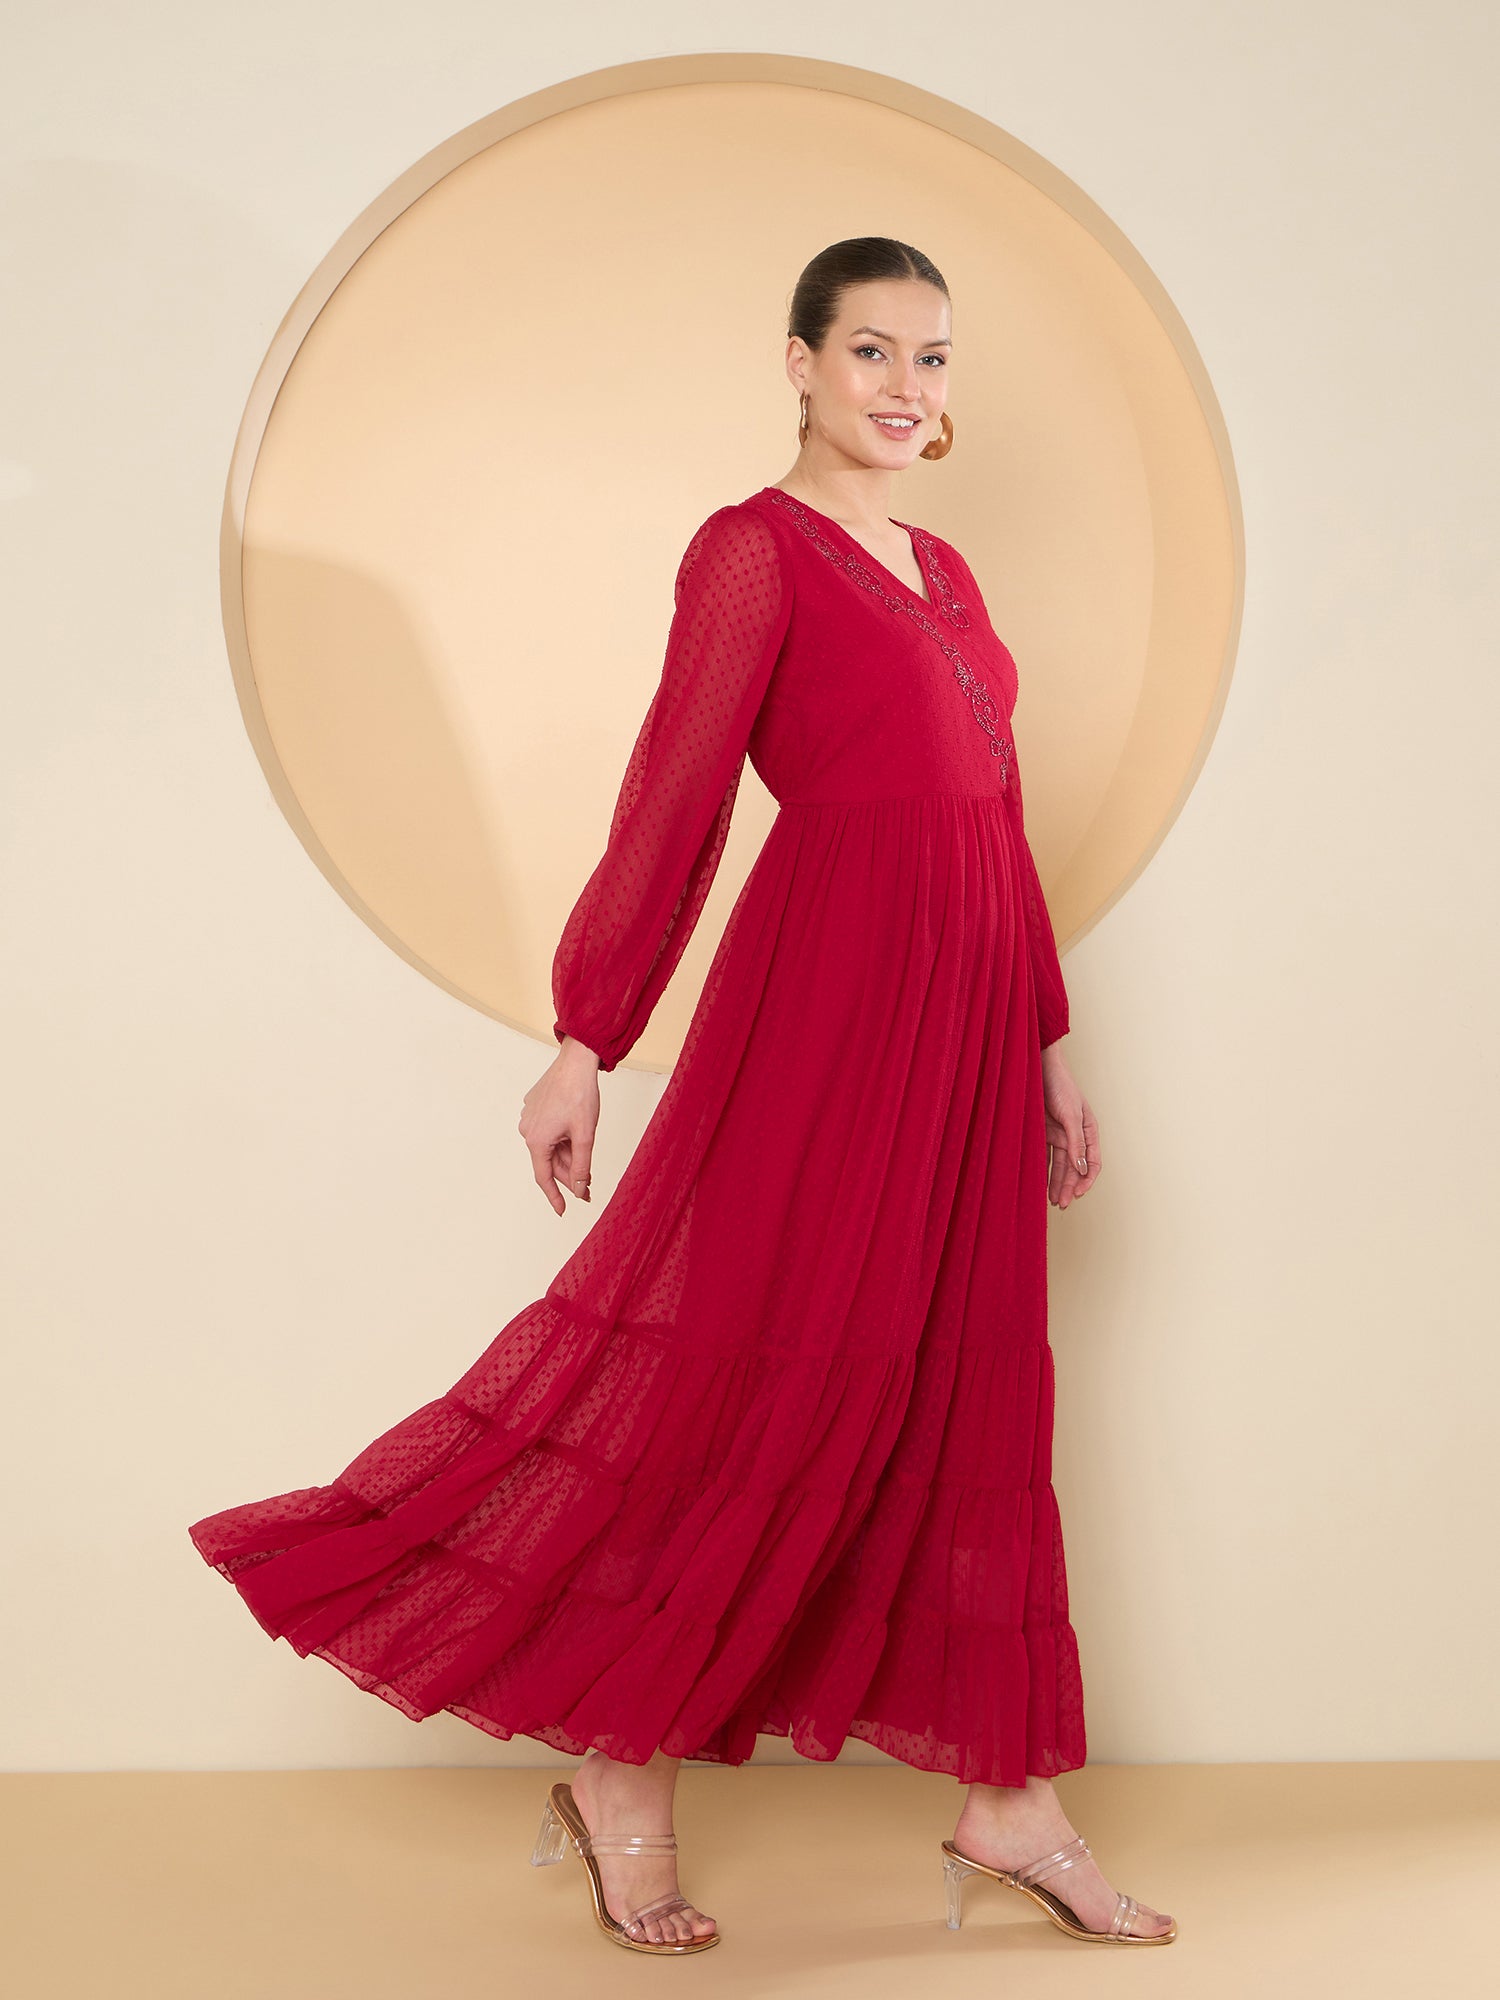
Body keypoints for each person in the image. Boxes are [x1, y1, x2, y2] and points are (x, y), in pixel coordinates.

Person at [188, 236, 1175, 1955]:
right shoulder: (751, 551)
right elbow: (680, 793)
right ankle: (618, 1772)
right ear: (799, 361)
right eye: (872, 351)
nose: (906, 388)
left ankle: (1008, 1801)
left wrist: (1044, 1040)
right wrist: (588, 1030)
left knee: (966, 1384)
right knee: (743, 1368)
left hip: (965, 1023)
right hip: (832, 1006)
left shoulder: (946, 567)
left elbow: (995, 817)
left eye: (934, 358)